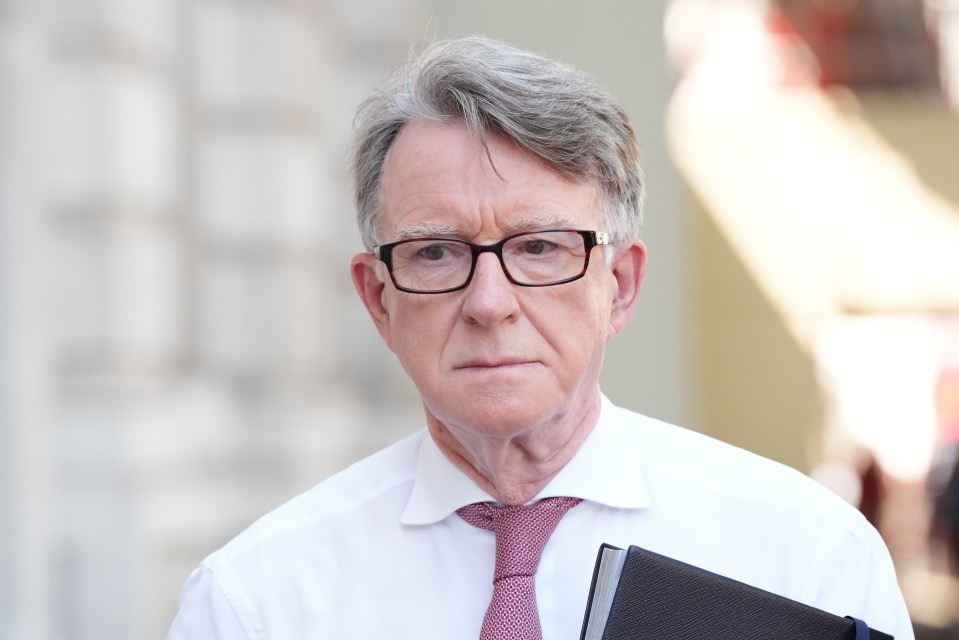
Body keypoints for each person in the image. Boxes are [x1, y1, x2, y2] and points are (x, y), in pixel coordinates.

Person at [168, 36, 914, 639]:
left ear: (620, 285)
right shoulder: (257, 603)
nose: (489, 303)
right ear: (378, 299)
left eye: (538, 248)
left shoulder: (805, 558)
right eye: (436, 253)